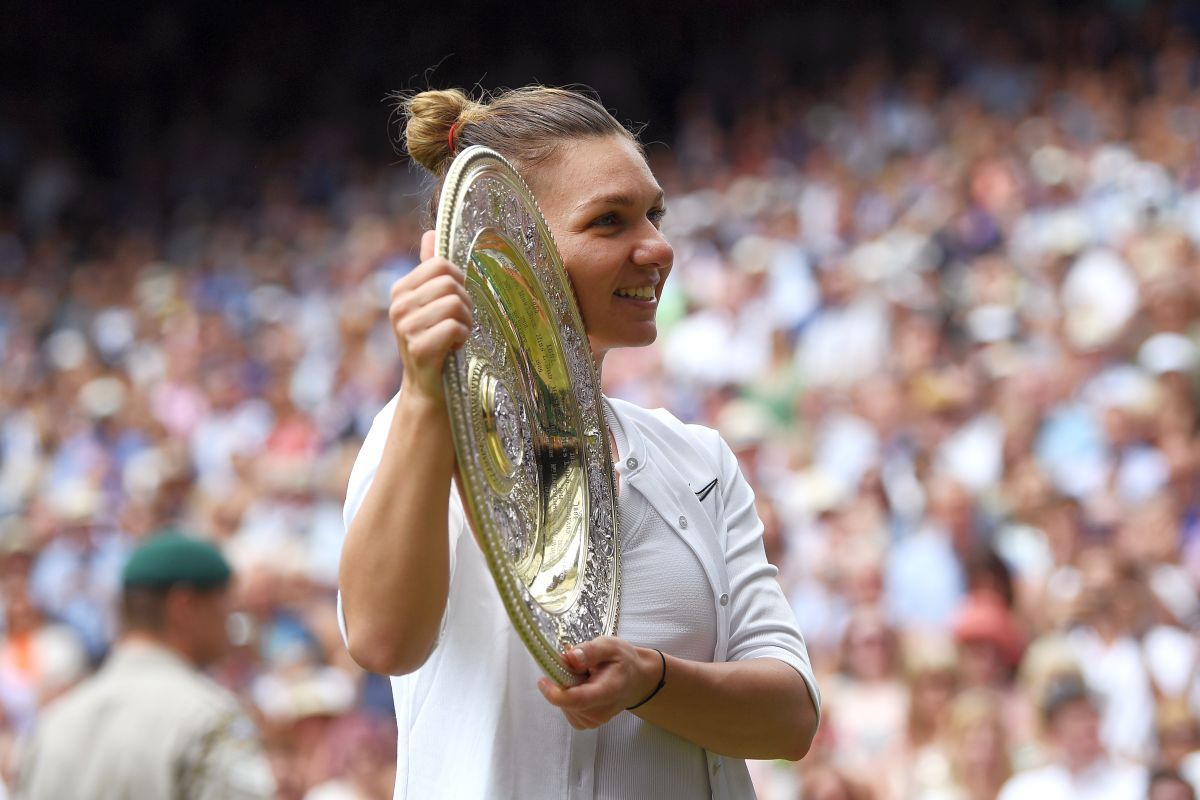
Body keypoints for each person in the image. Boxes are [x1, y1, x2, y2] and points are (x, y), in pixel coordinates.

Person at [338, 86, 821, 799]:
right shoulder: (415, 431)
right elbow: (383, 642)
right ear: (508, 245)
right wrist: (423, 393)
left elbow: (790, 720)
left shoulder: (699, 460)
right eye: (609, 221)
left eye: (654, 215)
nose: (658, 247)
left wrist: (649, 681)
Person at [13, 531, 276, 800]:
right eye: (224, 603)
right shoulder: (209, 719)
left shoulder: (54, 723)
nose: (229, 618)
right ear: (184, 605)